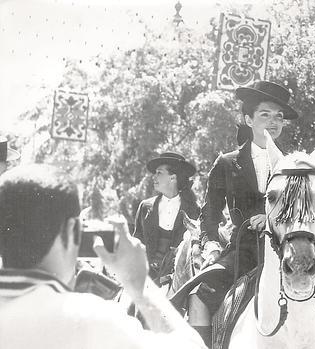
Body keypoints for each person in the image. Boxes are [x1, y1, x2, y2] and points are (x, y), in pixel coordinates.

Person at [0, 164, 206, 349]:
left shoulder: (191, 207)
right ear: (72, 231)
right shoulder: (88, 318)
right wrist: (140, 285)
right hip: (152, 272)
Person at [170, 81, 299, 345]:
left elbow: (302, 212)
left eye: (279, 117)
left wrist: (271, 218)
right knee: (197, 297)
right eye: (265, 114)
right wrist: (212, 247)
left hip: (288, 252)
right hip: (243, 252)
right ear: (248, 119)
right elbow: (209, 216)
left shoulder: (295, 166)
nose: (273, 122)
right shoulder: (227, 163)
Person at [133, 152, 200, 287]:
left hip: (178, 280)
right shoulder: (145, 207)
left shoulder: (194, 210)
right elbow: (137, 239)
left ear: (172, 178)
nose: (154, 177)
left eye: (159, 173)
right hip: (146, 278)